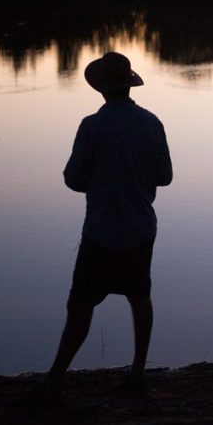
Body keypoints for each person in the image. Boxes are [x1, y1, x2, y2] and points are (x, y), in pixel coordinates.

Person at [39, 51, 172, 399]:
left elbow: (73, 179)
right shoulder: (152, 122)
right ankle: (138, 372)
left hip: (100, 232)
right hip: (141, 230)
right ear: (129, 85)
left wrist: (100, 182)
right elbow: (165, 177)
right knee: (140, 297)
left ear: (101, 89)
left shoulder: (92, 126)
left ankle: (55, 377)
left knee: (80, 305)